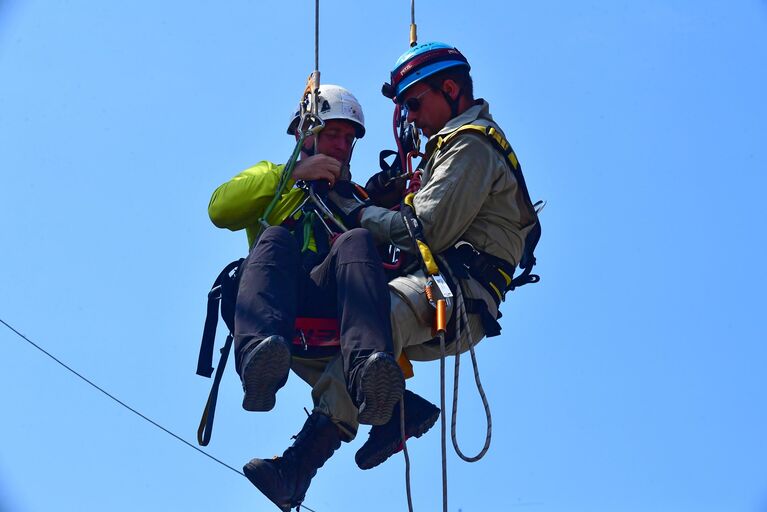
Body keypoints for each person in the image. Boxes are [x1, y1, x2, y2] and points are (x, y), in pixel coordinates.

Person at [208, 84, 427, 512]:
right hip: (279, 307)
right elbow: (220, 209)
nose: (344, 146)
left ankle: (371, 372)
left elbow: (392, 248)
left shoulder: (356, 201)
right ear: (304, 133)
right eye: (334, 135)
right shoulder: (274, 179)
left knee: (358, 239)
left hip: (339, 305)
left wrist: (394, 201)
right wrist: (291, 175)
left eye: (350, 139)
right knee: (273, 238)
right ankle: (259, 361)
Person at [328, 41, 540, 470]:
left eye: (413, 104)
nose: (409, 117)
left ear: (449, 88)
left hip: (457, 292)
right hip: (441, 286)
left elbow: (424, 230)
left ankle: (305, 460)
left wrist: (357, 211)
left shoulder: (471, 146)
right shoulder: (445, 151)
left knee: (375, 316)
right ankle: (394, 415)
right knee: (343, 336)